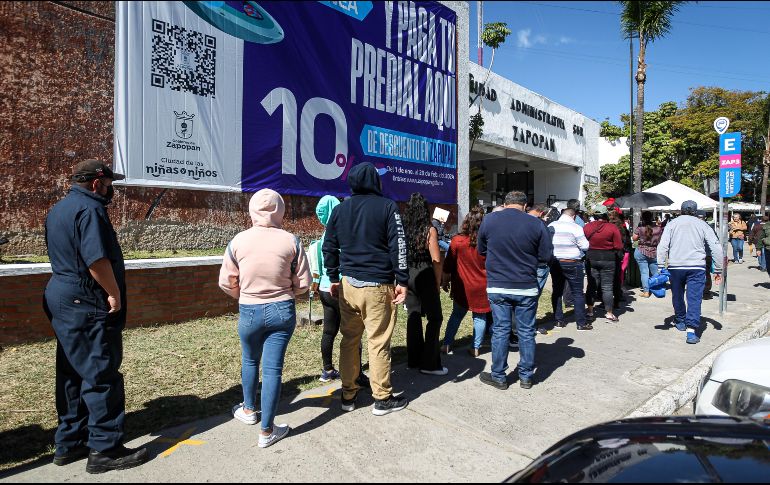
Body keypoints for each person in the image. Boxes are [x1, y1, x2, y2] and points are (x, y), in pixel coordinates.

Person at [43, 160, 148, 473]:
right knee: (101, 374)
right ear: (96, 183)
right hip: (85, 299)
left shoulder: (58, 209)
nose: (111, 188)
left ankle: (70, 442)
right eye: (109, 183)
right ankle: (105, 449)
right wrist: (113, 292)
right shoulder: (90, 210)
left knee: (73, 371)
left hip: (61, 296)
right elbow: (96, 259)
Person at [219, 189, 311, 448]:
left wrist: (242, 295)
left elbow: (226, 281)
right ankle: (267, 431)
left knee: (249, 360)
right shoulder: (291, 240)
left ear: (252, 210)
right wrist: (290, 292)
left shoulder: (238, 241)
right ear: (280, 210)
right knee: (273, 369)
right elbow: (304, 282)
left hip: (249, 308)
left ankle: (248, 410)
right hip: (282, 309)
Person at [322, 162, 410, 416]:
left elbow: (329, 246)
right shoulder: (387, 206)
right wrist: (402, 281)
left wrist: (333, 277)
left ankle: (348, 393)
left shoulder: (340, 209)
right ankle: (382, 398)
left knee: (349, 339)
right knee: (378, 341)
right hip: (377, 285)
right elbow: (398, 246)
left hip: (349, 284)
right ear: (375, 182)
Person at [477, 191, 553, 390]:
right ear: (525, 205)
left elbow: (481, 250)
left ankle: (499, 376)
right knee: (526, 331)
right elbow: (546, 256)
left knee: (501, 330)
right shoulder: (536, 224)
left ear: (505, 203)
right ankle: (526, 376)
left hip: (498, 284)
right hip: (525, 285)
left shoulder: (489, 220)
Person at [312, 196, 370, 387]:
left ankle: (327, 370)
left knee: (329, 331)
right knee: (353, 332)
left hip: (324, 289)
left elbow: (319, 267)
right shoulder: (342, 234)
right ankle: (357, 373)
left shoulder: (321, 238)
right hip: (342, 288)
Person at [657, 200, 724, 345]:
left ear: (681, 210)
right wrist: (718, 269)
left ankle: (680, 320)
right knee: (694, 298)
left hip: (676, 266)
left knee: (677, 294)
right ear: (695, 211)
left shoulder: (672, 224)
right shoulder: (702, 225)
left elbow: (662, 246)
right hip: (697, 267)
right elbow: (716, 247)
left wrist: (660, 266)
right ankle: (691, 331)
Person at [403, 193, 446, 376]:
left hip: (408, 273)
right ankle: (429, 363)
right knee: (435, 318)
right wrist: (437, 282)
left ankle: (413, 359)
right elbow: (436, 259)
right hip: (425, 273)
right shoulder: (430, 230)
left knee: (413, 316)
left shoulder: (404, 229)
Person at [441, 206, 491, 357]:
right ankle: (475, 347)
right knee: (480, 317)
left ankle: (447, 344)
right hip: (483, 285)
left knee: (456, 315)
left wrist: (445, 281)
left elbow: (448, 264)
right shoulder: (488, 242)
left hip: (462, 286)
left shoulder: (457, 241)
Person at [549, 206, 591, 330]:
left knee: (557, 291)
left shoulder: (551, 225)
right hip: (572, 261)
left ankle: (558, 320)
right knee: (577, 292)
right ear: (573, 216)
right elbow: (585, 246)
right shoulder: (576, 227)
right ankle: (581, 323)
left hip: (556, 261)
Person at [583, 205, 622, 322]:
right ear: (605, 215)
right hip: (608, 258)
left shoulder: (587, 227)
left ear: (594, 215)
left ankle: (590, 311)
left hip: (591, 257)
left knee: (591, 285)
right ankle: (609, 313)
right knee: (607, 287)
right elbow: (618, 246)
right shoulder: (612, 227)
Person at [633, 211, 663, 298]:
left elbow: (634, 238)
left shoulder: (640, 228)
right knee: (655, 271)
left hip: (641, 251)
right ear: (652, 218)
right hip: (654, 251)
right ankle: (658, 289)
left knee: (644, 272)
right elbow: (661, 240)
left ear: (642, 218)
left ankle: (646, 292)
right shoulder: (658, 228)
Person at [609, 211, 632, 307]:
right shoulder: (624, 230)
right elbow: (628, 242)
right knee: (621, 275)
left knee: (611, 275)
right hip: (624, 253)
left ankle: (610, 295)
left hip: (613, 254)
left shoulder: (609, 229)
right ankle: (619, 294)